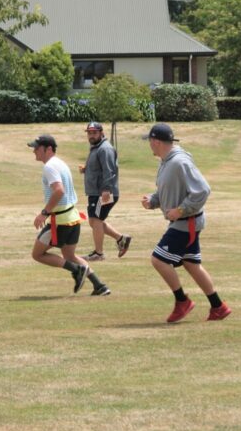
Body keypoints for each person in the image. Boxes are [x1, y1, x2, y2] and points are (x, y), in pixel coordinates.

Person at [141, 123, 231, 323]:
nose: (149, 145)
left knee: (158, 260)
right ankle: (218, 306)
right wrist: (154, 201)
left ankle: (182, 301)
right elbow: (170, 189)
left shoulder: (179, 162)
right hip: (186, 222)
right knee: (191, 264)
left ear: (156, 141)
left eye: (149, 141)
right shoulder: (166, 161)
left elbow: (202, 190)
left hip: (186, 222)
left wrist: (181, 210)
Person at [28, 134, 111, 296]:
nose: (34, 151)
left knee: (37, 254)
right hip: (73, 218)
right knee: (69, 255)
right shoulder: (60, 163)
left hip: (60, 221)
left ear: (48, 149)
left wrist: (44, 213)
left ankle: (76, 270)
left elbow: (59, 191)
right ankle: (99, 286)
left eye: (37, 148)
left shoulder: (50, 166)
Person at [78, 121, 132, 261]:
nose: (91, 135)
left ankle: (99, 253)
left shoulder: (105, 149)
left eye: (94, 132)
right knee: (94, 221)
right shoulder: (96, 147)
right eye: (89, 133)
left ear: (102, 133)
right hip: (96, 192)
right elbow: (100, 169)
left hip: (103, 192)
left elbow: (109, 171)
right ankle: (121, 239)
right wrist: (86, 169)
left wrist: (106, 189)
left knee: (95, 221)